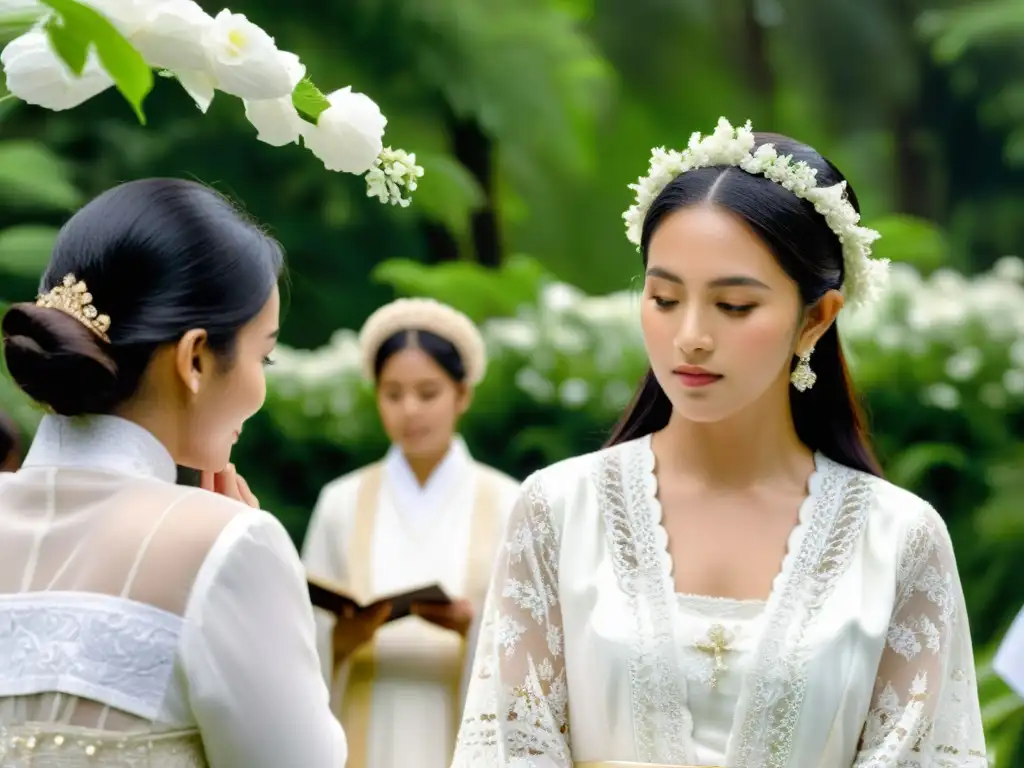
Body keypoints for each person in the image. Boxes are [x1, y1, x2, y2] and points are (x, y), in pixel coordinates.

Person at [451, 119, 986, 767]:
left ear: (815, 318)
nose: (691, 336)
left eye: (734, 305)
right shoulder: (558, 512)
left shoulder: (899, 538)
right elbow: (511, 749)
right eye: (664, 298)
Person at [0, 178, 347, 766]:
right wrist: (238, 553)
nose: (262, 384)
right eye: (263, 355)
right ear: (194, 359)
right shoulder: (229, 547)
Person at [302, 297, 520, 768]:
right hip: (362, 721)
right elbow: (301, 640)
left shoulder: (509, 501)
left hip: (463, 729)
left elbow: (533, 638)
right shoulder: (341, 502)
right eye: (393, 393)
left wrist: (472, 626)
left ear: (462, 395)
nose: (409, 410)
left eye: (427, 392)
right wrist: (343, 637)